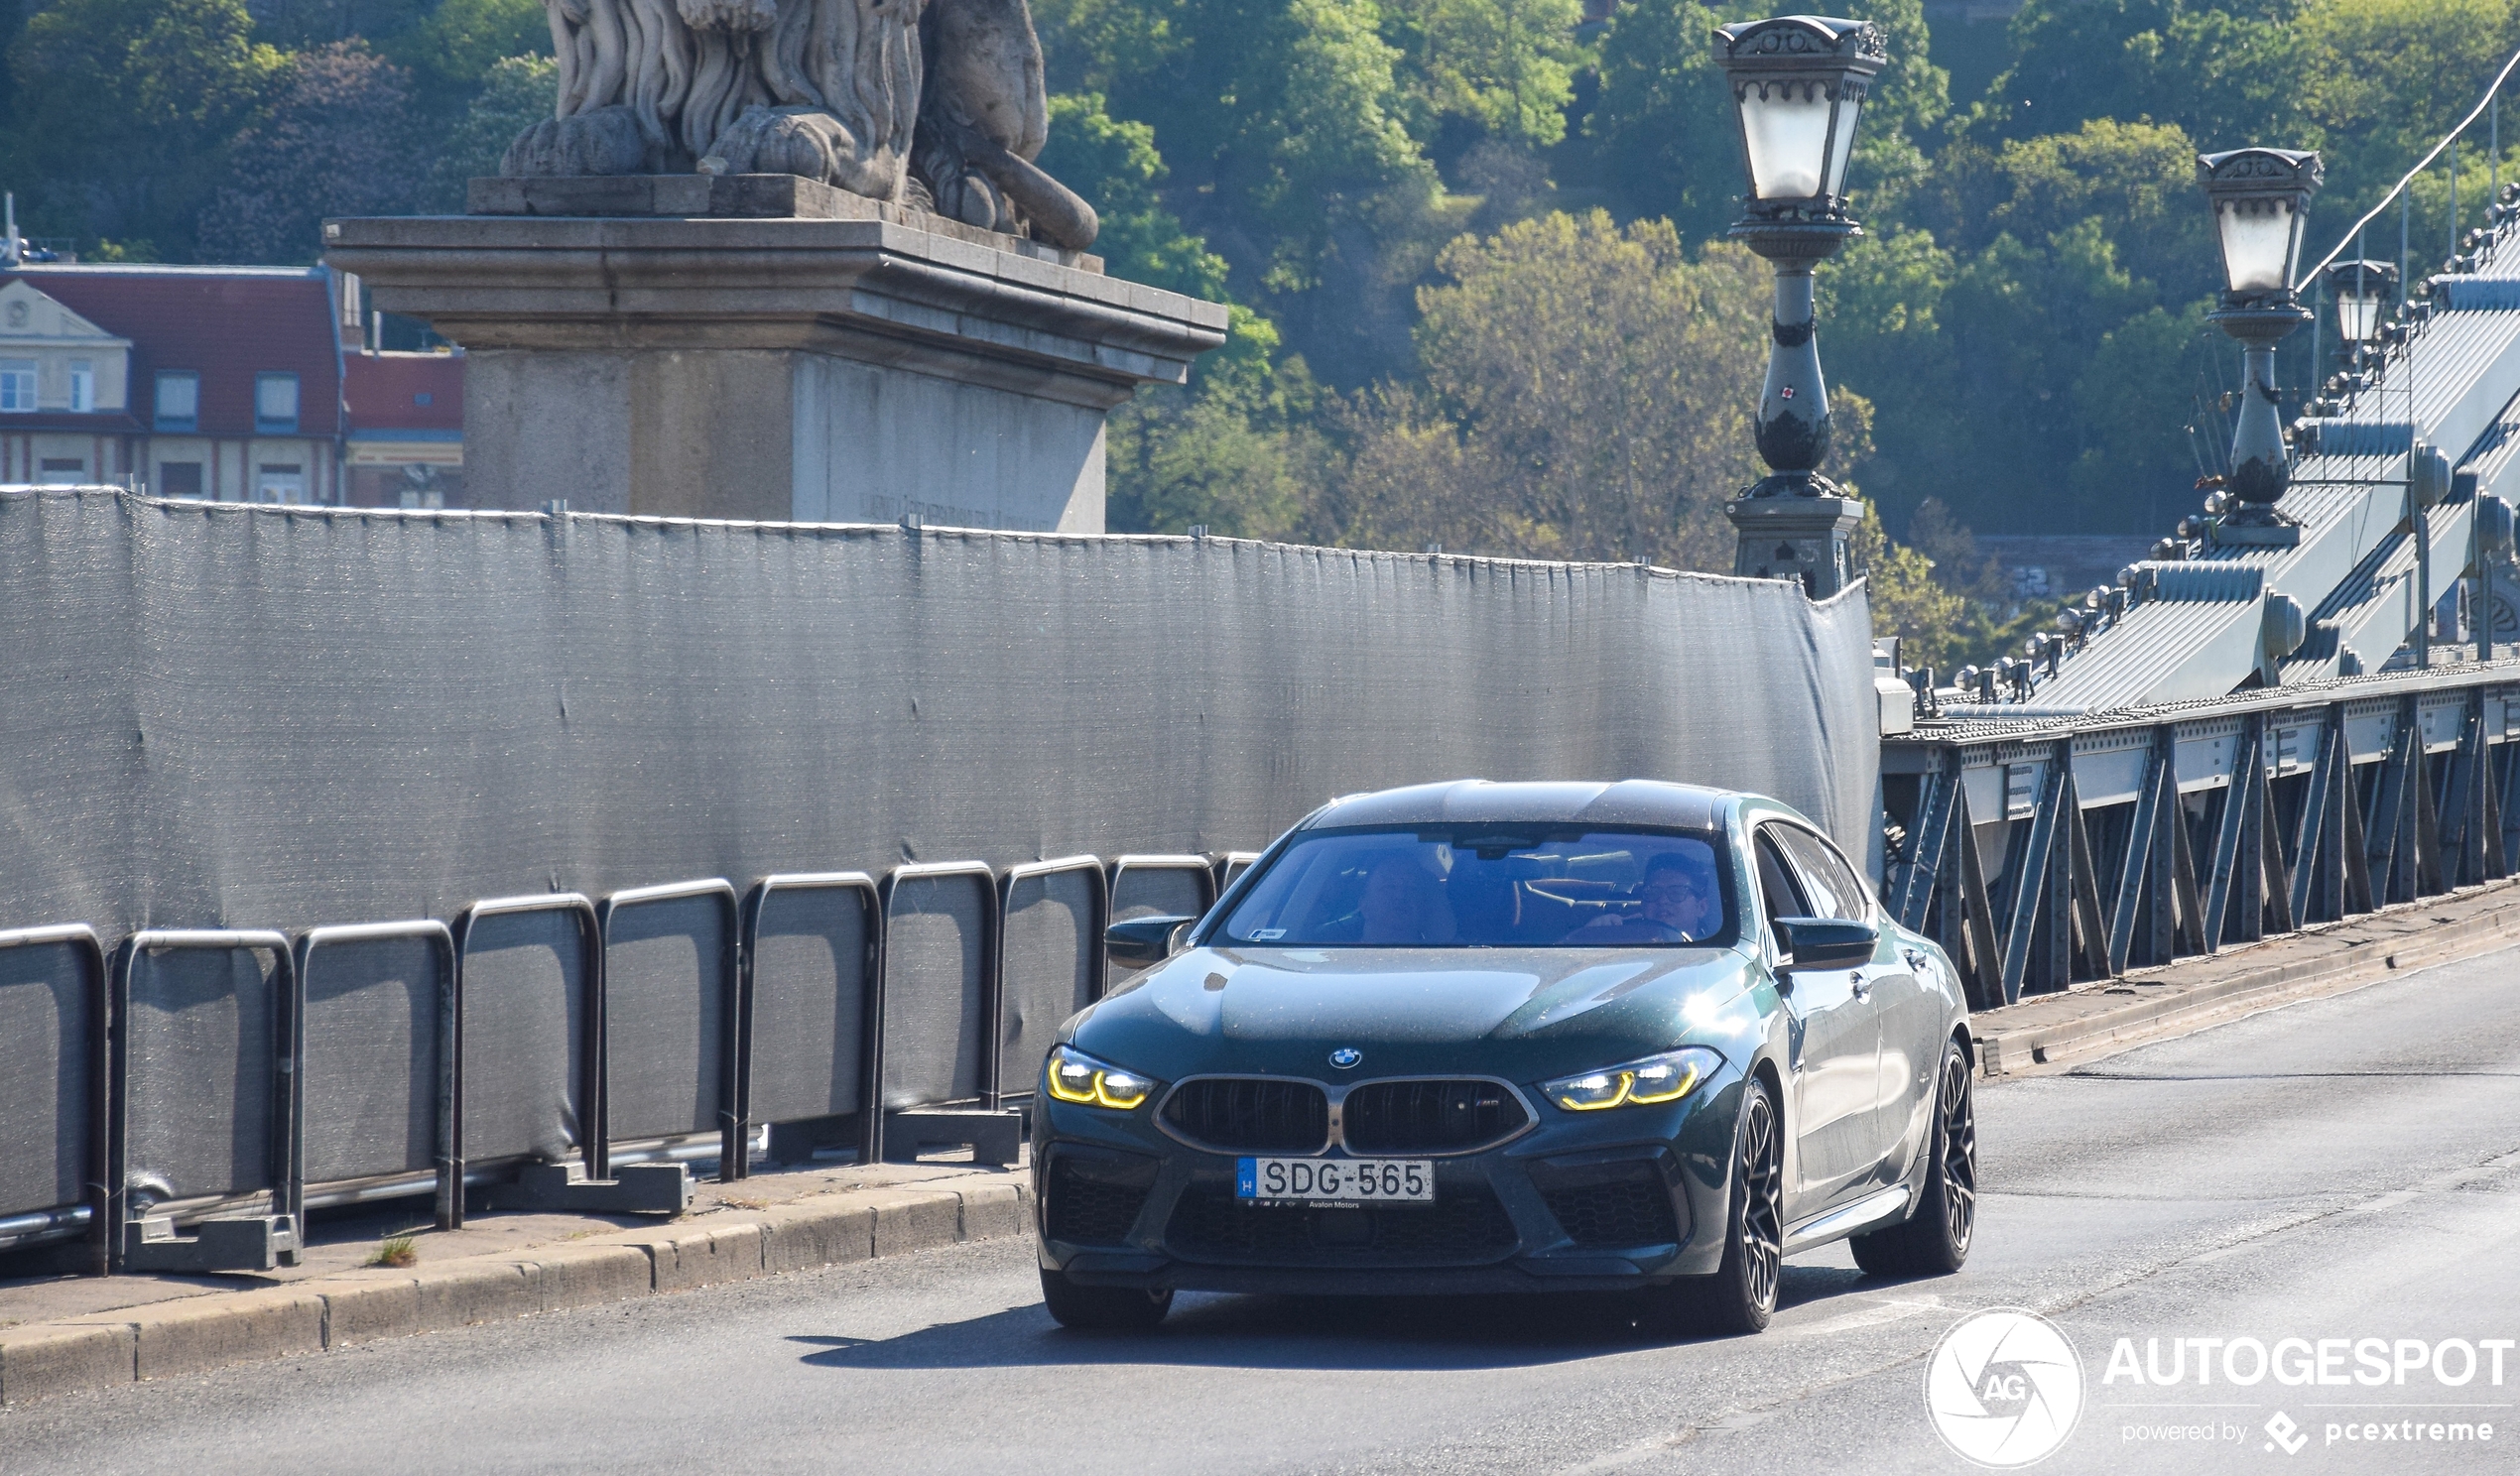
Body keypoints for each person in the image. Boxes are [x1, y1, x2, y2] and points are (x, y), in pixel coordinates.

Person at [1574, 852, 1717, 943]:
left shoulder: (1718, 951)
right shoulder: (1623, 935)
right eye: (1652, 891)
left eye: (1677, 892)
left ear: (1702, 907)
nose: (1662, 900)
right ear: (1642, 903)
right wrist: (1594, 933)